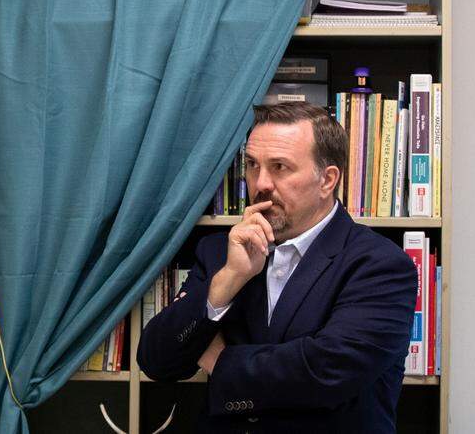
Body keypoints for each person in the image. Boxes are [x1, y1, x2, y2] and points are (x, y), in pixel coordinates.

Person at [136, 101, 419, 433]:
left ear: (327, 180)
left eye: (280, 167)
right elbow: (157, 360)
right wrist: (230, 279)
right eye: (252, 165)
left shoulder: (381, 264)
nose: (261, 184)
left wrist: (219, 362)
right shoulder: (219, 252)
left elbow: (325, 372)